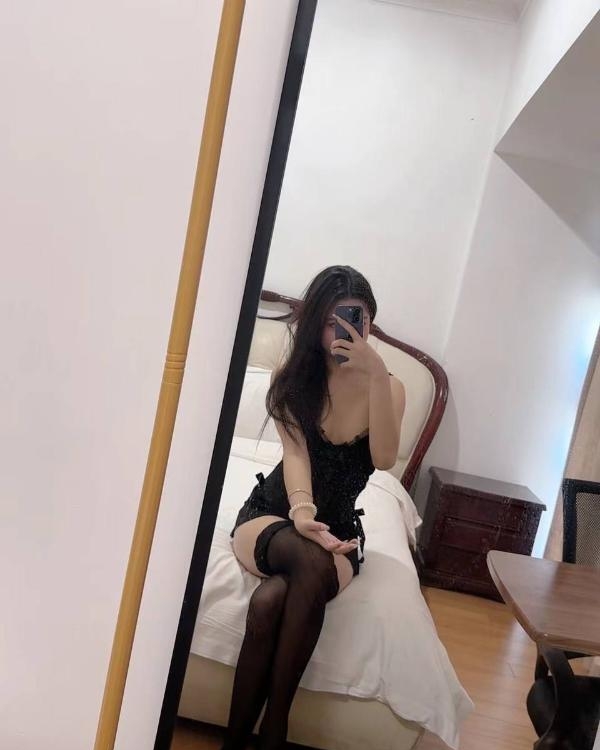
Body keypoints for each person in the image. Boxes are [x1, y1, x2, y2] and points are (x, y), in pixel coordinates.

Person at [224, 265, 405, 750]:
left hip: (339, 531)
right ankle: (275, 733)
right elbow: (296, 457)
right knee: (306, 557)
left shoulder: (389, 387)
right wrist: (302, 515)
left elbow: (384, 458)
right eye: (330, 321)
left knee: (269, 601)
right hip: (274, 513)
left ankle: (239, 740)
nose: (341, 332)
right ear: (313, 325)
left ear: (370, 322)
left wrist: (376, 376)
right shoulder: (292, 381)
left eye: (354, 319)